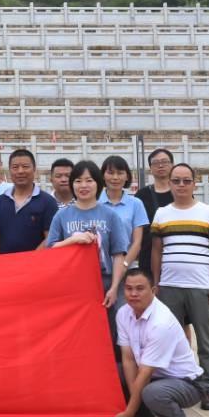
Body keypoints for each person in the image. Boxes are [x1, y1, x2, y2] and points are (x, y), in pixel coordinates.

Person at [151, 163, 209, 410]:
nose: (181, 185)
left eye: (186, 181)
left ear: (195, 183)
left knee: (205, 340)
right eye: (176, 181)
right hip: (169, 286)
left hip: (199, 287)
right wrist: (156, 282)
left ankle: (207, 387)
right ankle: (177, 383)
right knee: (171, 338)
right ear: (169, 184)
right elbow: (156, 250)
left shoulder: (208, 212)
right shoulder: (162, 213)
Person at [44, 160, 128, 367]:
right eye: (78, 180)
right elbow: (50, 250)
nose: (83, 185)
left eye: (89, 180)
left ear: (98, 184)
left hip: (104, 284)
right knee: (76, 336)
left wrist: (115, 287)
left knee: (109, 335)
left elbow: (118, 254)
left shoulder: (110, 215)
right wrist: (72, 240)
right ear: (72, 185)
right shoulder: (62, 215)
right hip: (72, 287)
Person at [111, 268, 207, 417]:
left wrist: (129, 411)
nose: (133, 294)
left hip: (186, 382)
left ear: (153, 291)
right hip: (154, 376)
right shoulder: (123, 313)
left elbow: (145, 372)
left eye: (140, 289)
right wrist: (135, 406)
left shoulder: (161, 322)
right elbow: (129, 359)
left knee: (152, 392)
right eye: (128, 288)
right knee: (113, 373)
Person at [0, 149, 58, 255]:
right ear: (9, 170)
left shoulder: (48, 202)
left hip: (36, 267)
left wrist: (28, 261)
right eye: (15, 167)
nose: (20, 171)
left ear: (35, 170)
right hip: (4, 267)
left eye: (25, 167)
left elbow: (50, 238)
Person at [99, 155, 149, 280]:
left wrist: (124, 265)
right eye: (110, 173)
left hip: (126, 270)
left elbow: (137, 242)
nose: (115, 177)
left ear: (127, 176)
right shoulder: (94, 202)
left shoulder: (136, 204)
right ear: (103, 176)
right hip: (96, 270)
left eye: (120, 173)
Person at [135, 148, 175, 276]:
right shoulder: (142, 195)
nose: (161, 165)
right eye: (156, 163)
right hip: (148, 256)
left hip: (175, 256)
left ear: (172, 165)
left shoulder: (181, 192)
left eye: (164, 161)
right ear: (150, 169)